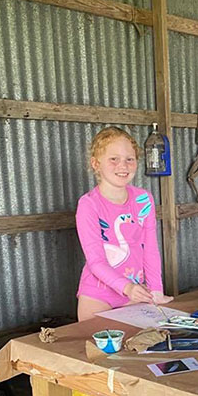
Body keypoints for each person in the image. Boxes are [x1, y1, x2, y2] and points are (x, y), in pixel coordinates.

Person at [75, 126, 172, 321]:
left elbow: (150, 249)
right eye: (114, 159)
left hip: (135, 293)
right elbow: (96, 261)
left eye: (130, 159)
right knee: (100, 348)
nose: (123, 165)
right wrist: (126, 288)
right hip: (98, 294)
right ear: (95, 163)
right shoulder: (89, 205)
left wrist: (156, 290)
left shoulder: (144, 200)